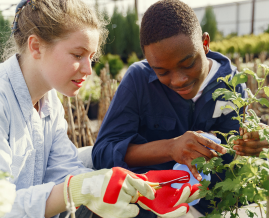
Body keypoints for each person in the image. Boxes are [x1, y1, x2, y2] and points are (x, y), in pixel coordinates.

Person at [0, 0, 199, 217]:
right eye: (78, 55)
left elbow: (64, 169)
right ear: (36, 46)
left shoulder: (49, 102)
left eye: (91, 58)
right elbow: (4, 205)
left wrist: (140, 188)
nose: (88, 70)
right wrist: (80, 189)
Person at [92, 0, 269, 217]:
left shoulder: (230, 84)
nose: (178, 80)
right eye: (162, 72)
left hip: (207, 206)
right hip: (148, 206)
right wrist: (170, 148)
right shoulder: (138, 80)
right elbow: (102, 153)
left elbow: (233, 156)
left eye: (188, 64)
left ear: (205, 43)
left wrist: (252, 144)